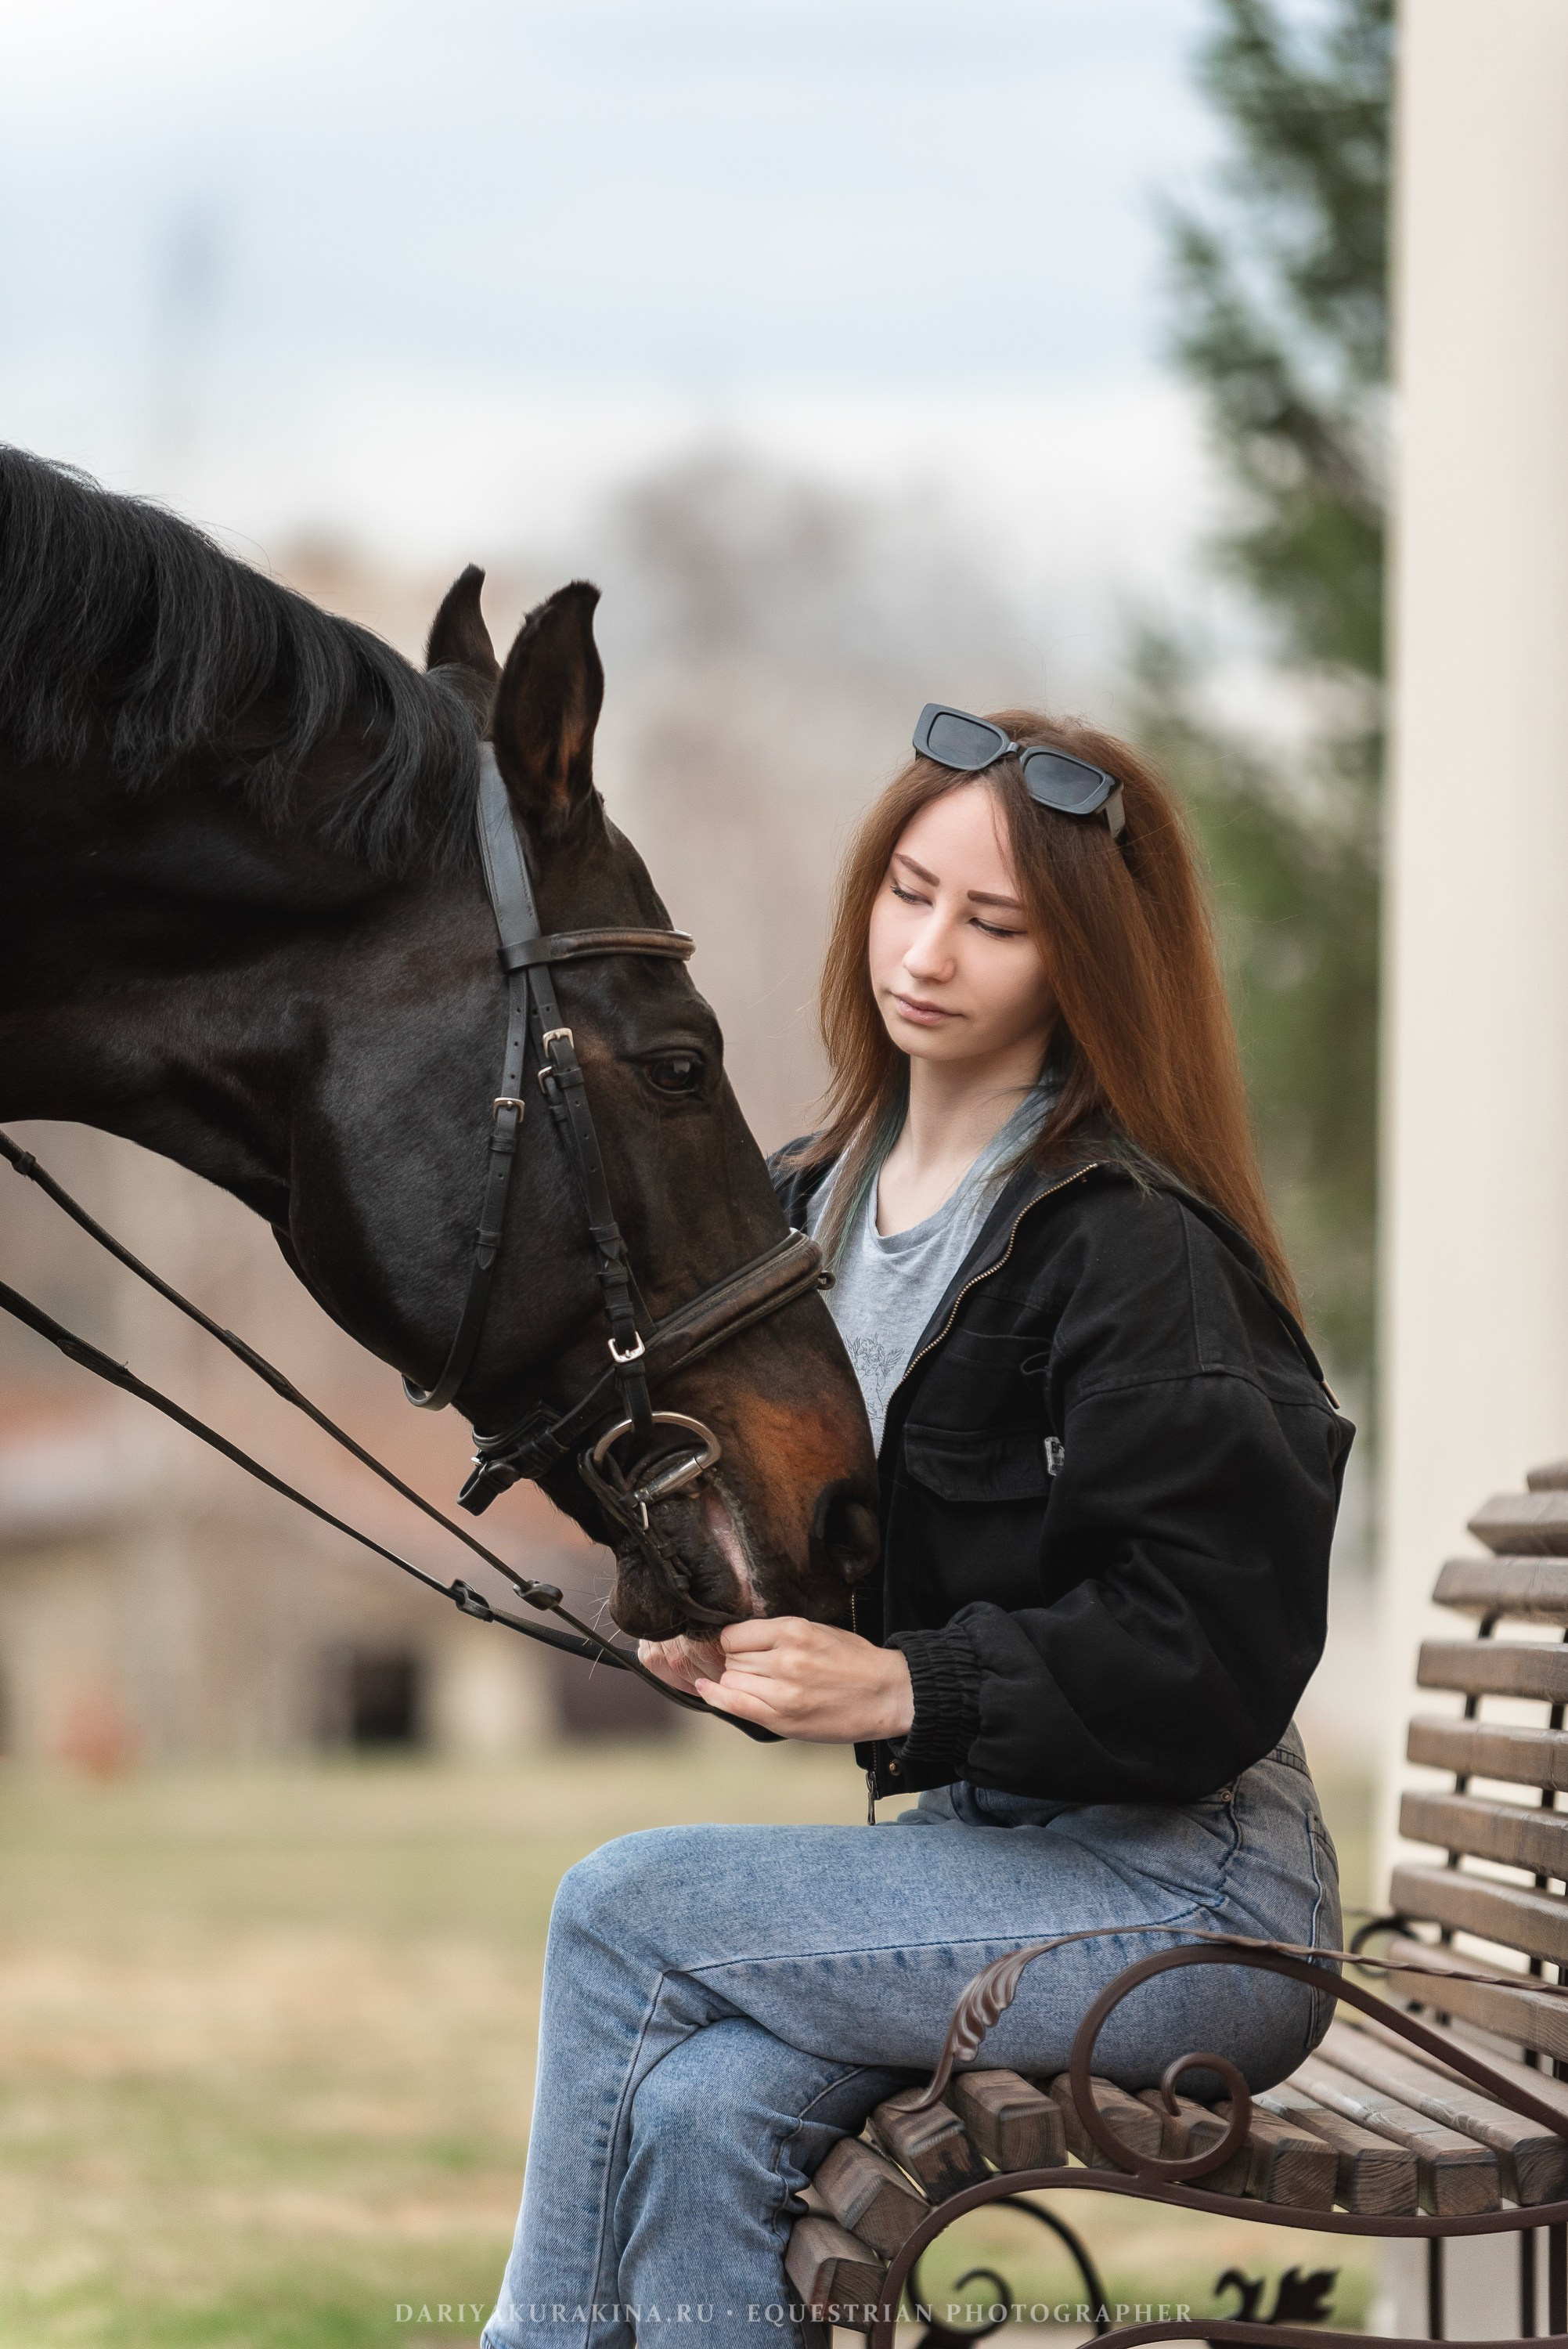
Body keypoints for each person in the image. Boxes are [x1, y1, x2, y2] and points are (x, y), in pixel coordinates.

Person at [481, 705, 1352, 2349]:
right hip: (981, 1875)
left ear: (1086, 959)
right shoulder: (806, 1203)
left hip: (1196, 1908)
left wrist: (900, 1694)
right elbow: (851, 1543)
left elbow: (1212, 1649)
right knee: (695, 2113)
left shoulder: (1133, 1246)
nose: (928, 949)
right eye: (907, 890)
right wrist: (719, 1620)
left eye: (996, 922)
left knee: (625, 1903)